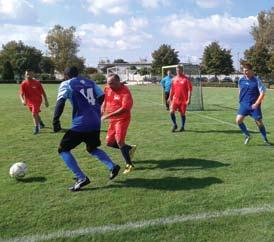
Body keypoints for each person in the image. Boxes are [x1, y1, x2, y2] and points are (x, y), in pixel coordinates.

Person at [52, 66, 120, 192]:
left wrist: (55, 121)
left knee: (63, 149)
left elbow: (60, 102)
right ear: (78, 74)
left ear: (66, 76)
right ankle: (112, 166)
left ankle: (81, 178)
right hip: (95, 121)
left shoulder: (66, 83)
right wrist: (93, 109)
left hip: (81, 123)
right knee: (92, 148)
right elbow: (101, 96)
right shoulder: (90, 82)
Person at [101, 74, 136, 174]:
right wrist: (102, 108)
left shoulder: (125, 93)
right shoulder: (107, 88)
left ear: (118, 82)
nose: (109, 85)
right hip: (113, 120)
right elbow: (106, 99)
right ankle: (129, 148)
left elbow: (125, 109)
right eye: (108, 83)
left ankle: (129, 165)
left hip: (122, 119)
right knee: (109, 143)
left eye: (111, 83)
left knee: (119, 141)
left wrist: (107, 116)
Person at [236, 63, 270, 145]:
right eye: (244, 71)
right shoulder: (241, 80)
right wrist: (240, 99)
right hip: (244, 104)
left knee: (259, 122)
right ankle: (247, 135)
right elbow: (240, 89)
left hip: (254, 105)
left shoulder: (257, 80)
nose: (245, 73)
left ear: (251, 70)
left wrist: (257, 103)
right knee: (238, 121)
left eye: (246, 71)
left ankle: (265, 139)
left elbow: (262, 93)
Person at [19, 69, 49, 134]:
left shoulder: (37, 83)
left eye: (30, 74)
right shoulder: (23, 83)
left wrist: (46, 101)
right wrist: (22, 100)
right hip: (29, 101)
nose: (29, 75)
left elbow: (43, 93)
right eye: (27, 74)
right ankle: (41, 123)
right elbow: (21, 94)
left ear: (33, 74)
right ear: (25, 75)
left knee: (33, 113)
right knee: (36, 113)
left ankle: (36, 128)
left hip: (37, 100)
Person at [168, 64, 192, 132]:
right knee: (171, 111)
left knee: (182, 114)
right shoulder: (174, 79)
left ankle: (182, 127)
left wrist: (189, 99)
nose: (178, 71)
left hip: (183, 100)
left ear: (182, 70)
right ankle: (175, 125)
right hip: (175, 99)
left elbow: (189, 90)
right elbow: (172, 89)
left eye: (179, 70)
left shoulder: (186, 79)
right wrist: (170, 97)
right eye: (177, 70)